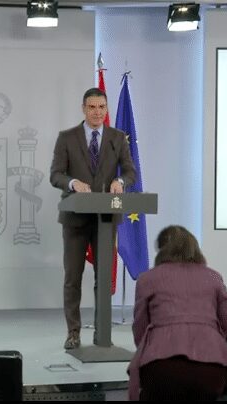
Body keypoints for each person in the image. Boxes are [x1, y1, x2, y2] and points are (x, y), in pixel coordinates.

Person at [49, 87, 136, 349]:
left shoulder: (118, 138)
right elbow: (56, 175)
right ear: (83, 108)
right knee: (72, 278)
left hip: (105, 219)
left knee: (103, 278)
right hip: (75, 217)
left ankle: (102, 331)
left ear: (106, 109)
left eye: (101, 107)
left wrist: (120, 181)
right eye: (92, 107)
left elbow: (130, 171)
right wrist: (73, 182)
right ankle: (73, 332)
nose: (97, 112)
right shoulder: (67, 138)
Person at [127, 225, 227, 401]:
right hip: (211, 370)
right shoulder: (213, 277)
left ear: (161, 250)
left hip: (161, 368)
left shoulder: (147, 279)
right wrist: (226, 357)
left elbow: (140, 331)